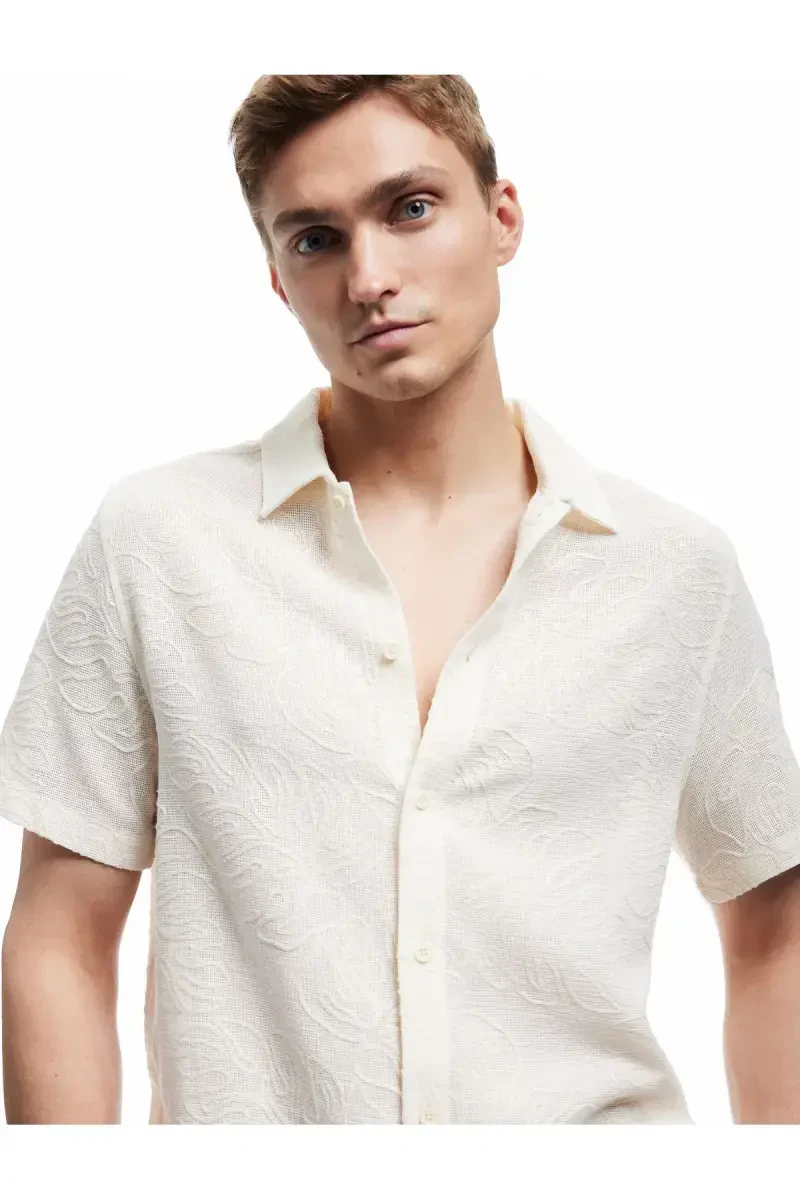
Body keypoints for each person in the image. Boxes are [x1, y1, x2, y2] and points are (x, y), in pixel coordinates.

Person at [2, 74, 800, 1127]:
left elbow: (772, 925)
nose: (369, 277)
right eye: (316, 239)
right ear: (278, 280)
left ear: (501, 218)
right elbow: (60, 938)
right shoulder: (160, 543)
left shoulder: (673, 570)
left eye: (410, 208)